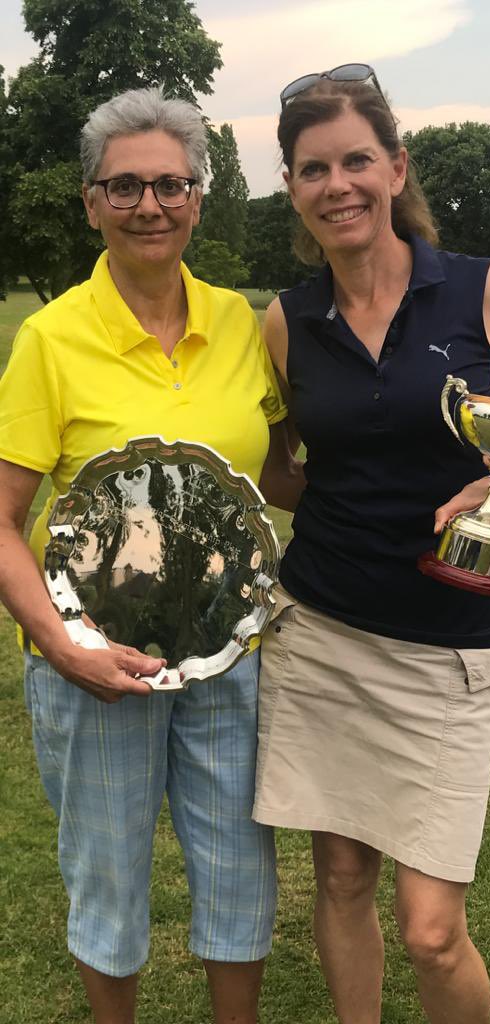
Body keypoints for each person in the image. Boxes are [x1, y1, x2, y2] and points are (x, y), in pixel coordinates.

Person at [253, 65, 490, 1024]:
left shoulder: (480, 289)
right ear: (292, 187)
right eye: (312, 168)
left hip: (449, 641)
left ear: (394, 168)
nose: (336, 183)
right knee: (339, 882)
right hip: (324, 633)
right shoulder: (287, 321)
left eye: (355, 161)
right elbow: (281, 472)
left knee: (430, 928)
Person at [0, 87, 290, 1024]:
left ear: (200, 196)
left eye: (170, 184)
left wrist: (423, 505)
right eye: (124, 187)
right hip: (92, 664)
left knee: (239, 871)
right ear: (91, 202)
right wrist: (63, 645)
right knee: (109, 877)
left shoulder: (243, 323)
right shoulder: (49, 339)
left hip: (227, 651)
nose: (149, 206)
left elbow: (277, 481)